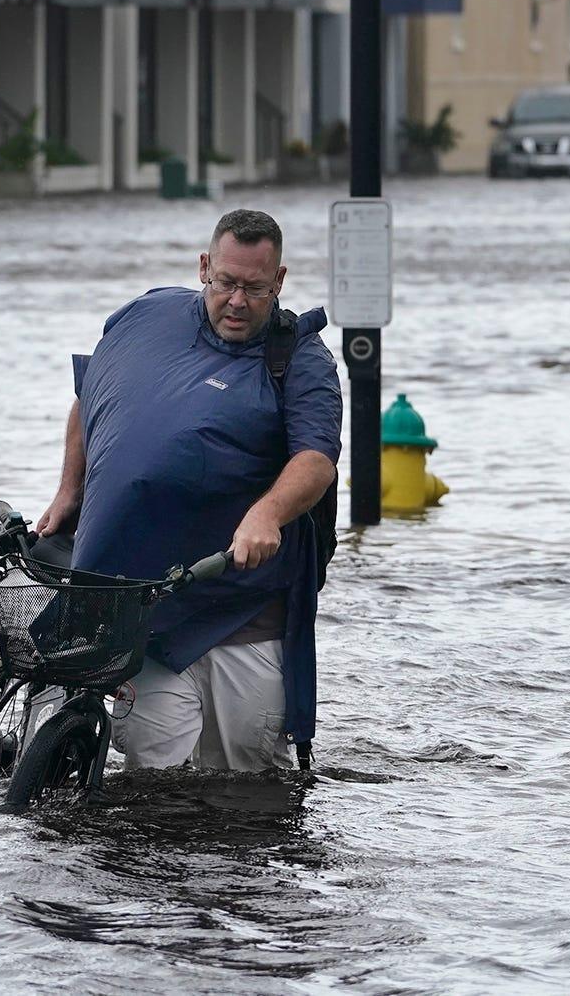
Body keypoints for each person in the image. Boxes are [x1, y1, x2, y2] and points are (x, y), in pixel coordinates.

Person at [37, 208, 341, 772]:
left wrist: (268, 513)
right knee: (156, 783)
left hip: (242, 615)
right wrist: (68, 490)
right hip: (140, 611)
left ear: (279, 282)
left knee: (245, 788)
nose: (238, 301)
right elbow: (91, 393)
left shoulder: (301, 359)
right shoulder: (146, 316)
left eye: (255, 288)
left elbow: (316, 459)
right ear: (205, 267)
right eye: (227, 282)